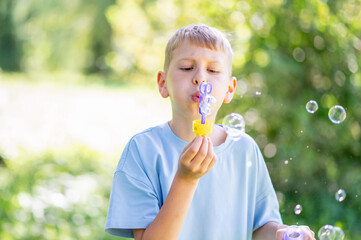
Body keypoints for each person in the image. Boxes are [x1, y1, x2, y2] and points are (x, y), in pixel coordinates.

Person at [105, 24, 315, 240]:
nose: (200, 79)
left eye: (213, 70)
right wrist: (185, 180)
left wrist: (283, 234)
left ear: (230, 89)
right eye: (187, 68)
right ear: (163, 83)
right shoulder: (144, 151)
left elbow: (258, 228)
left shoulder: (244, 148)